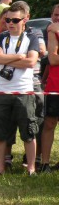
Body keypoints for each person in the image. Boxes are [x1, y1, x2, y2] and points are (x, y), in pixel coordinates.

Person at [0, 1, 39, 176]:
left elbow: (31, 62)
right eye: (8, 20)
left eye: (15, 20)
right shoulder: (2, 37)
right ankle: (0, 168)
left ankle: (32, 168)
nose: (10, 23)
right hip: (2, 90)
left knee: (28, 132)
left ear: (24, 20)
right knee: (0, 132)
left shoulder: (31, 38)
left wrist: (5, 57)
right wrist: (18, 56)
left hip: (23, 91)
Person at [40, 19, 59, 171]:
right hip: (55, 85)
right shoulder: (53, 30)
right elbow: (52, 59)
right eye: (55, 15)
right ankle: (45, 163)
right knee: (49, 123)